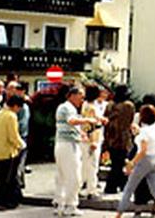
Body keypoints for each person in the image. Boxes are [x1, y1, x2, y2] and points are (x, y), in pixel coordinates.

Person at [54, 86, 105, 217]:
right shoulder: (67, 108)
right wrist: (88, 120)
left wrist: (81, 133)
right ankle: (70, 205)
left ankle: (60, 203)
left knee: (62, 175)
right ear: (72, 95)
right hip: (68, 145)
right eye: (80, 96)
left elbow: (70, 125)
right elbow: (71, 121)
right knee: (74, 176)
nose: (82, 99)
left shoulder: (66, 107)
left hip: (64, 143)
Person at [114, 105, 155, 218]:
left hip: (144, 160)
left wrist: (132, 163)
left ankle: (118, 215)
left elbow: (143, 150)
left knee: (129, 189)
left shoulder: (144, 132)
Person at [0, 95, 26, 211]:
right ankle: (0, 202)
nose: (19, 110)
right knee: (4, 180)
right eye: (19, 108)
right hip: (6, 152)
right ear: (16, 106)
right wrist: (22, 145)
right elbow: (13, 136)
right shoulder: (11, 116)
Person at [103, 86, 135, 195]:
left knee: (116, 162)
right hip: (122, 138)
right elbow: (128, 122)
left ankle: (122, 185)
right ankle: (111, 186)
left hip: (110, 137)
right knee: (120, 163)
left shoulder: (110, 105)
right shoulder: (128, 106)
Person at [80, 86, 104, 199]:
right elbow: (93, 126)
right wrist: (94, 141)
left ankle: (84, 187)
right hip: (93, 139)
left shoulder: (85, 105)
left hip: (85, 139)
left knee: (85, 164)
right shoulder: (92, 108)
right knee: (92, 165)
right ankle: (91, 190)